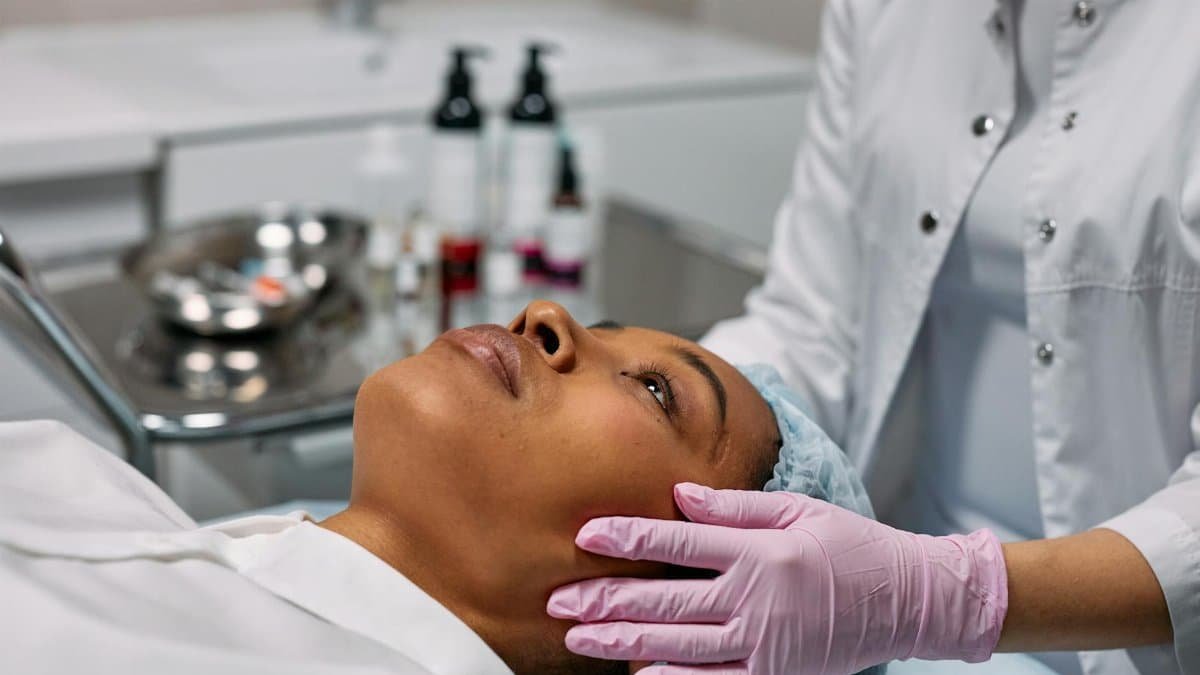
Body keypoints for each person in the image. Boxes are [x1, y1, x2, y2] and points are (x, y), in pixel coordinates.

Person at [549, 2, 1200, 674]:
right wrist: (643, 425)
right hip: (877, 599)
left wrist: (935, 593)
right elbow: (814, 319)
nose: (547, 321)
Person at [0, 301, 803, 675]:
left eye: (658, 392)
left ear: (677, 621)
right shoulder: (100, 490)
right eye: (607, 323)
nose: (546, 315)